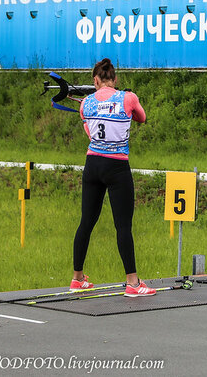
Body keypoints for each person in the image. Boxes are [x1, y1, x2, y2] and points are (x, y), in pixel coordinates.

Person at [70, 58, 156, 296]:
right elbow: (142, 118)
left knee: (86, 222)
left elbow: (89, 130)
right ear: (115, 79)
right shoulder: (128, 97)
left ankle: (77, 278)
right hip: (117, 167)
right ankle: (133, 282)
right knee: (123, 226)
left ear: (95, 81)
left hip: (92, 165)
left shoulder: (85, 103)